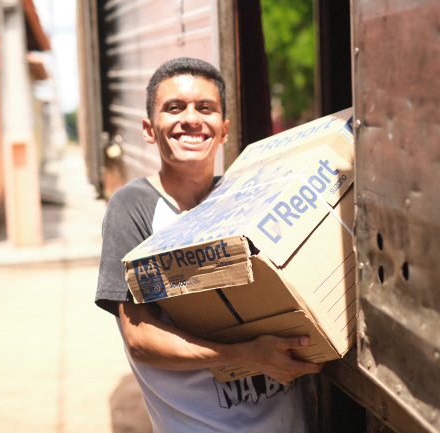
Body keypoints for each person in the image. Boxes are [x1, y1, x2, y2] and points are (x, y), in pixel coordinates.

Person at [95, 57, 324, 433]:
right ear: (149, 129)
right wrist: (246, 356)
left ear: (223, 129)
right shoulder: (132, 207)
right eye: (174, 108)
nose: (191, 119)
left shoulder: (246, 196)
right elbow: (139, 338)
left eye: (206, 108)